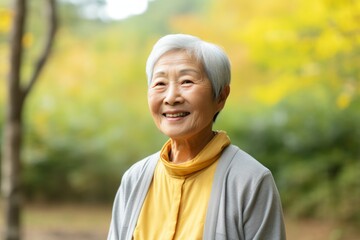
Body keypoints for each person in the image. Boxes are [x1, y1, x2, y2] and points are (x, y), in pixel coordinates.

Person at [107, 34, 286, 240]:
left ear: (220, 96)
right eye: (160, 83)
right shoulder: (135, 179)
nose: (171, 97)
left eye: (186, 81)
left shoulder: (250, 181)